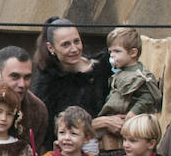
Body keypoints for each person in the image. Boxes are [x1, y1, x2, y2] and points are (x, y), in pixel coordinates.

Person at [30, 17, 112, 146]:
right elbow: (50, 132)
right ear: (51, 48)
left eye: (76, 41)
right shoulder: (47, 84)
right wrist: (97, 124)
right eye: (65, 44)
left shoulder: (105, 66)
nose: (74, 49)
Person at [97, 26, 162, 156]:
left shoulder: (141, 74)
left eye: (117, 51)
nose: (112, 55)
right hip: (114, 127)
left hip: (133, 126)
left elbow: (148, 97)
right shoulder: (118, 73)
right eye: (110, 52)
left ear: (133, 53)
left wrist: (133, 112)